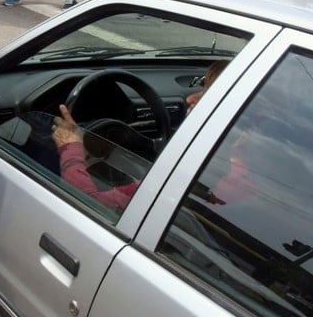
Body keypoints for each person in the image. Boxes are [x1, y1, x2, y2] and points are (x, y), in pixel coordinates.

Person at [52, 60, 228, 211]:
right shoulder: (229, 173)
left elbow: (88, 203)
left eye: (208, 94)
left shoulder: (173, 183)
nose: (190, 99)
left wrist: (71, 147)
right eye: (202, 87)